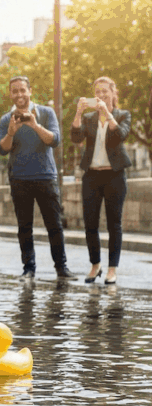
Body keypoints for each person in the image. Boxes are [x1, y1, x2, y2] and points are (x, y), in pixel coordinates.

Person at [0, 75, 77, 280]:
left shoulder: (46, 113)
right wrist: (11, 133)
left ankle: (61, 268)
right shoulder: (6, 120)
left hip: (45, 176)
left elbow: (55, 140)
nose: (19, 94)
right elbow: (2, 149)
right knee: (25, 227)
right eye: (15, 91)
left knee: (54, 225)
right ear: (10, 94)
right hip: (19, 178)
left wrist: (34, 125)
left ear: (30, 91)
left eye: (23, 90)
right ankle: (28, 269)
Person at [70, 76, 132, 285]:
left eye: (105, 90)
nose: (101, 94)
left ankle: (112, 269)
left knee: (114, 224)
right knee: (90, 223)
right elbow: (76, 137)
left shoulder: (123, 115)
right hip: (92, 176)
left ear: (114, 93)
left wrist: (107, 113)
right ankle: (95, 265)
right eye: (97, 91)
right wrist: (78, 113)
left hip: (114, 175)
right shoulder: (89, 118)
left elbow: (121, 135)